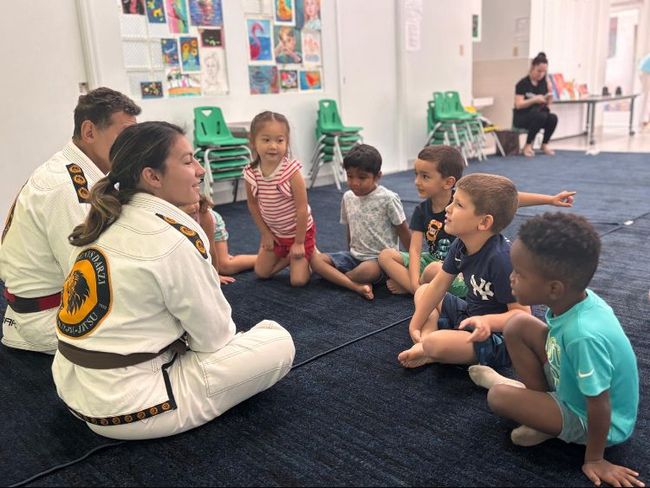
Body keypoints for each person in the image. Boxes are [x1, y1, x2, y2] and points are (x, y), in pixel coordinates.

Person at [52, 121, 294, 440]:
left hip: (74, 389)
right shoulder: (173, 238)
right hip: (131, 408)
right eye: (187, 161)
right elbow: (214, 339)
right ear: (152, 176)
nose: (200, 171)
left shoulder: (101, 221)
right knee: (277, 339)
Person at [469, 213, 642, 488]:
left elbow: (600, 403)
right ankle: (540, 409)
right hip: (572, 381)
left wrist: (595, 459)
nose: (510, 278)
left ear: (553, 288)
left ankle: (545, 417)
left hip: (595, 421)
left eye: (519, 274)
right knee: (518, 324)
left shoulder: (584, 335)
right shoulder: (573, 300)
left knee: (498, 396)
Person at [0, 87, 140, 354]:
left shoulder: (72, 169)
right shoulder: (69, 188)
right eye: (125, 136)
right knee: (165, 326)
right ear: (89, 132)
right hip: (48, 318)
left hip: (34, 304)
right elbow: (92, 282)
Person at [378, 145, 576, 298]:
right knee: (386, 255)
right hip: (433, 259)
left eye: (425, 176)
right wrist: (413, 283)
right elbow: (414, 250)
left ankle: (423, 289)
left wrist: (550, 199)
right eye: (416, 175)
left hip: (461, 269)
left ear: (448, 182)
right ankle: (419, 289)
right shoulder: (422, 210)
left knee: (433, 271)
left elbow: (509, 197)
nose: (416, 181)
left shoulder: (464, 200)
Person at [397, 173, 531, 370]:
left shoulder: (502, 260)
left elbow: (521, 316)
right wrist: (415, 324)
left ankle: (431, 346)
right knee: (423, 290)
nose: (448, 209)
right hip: (468, 314)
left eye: (458, 205)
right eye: (452, 201)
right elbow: (439, 285)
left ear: (484, 222)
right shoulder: (460, 245)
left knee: (438, 343)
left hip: (496, 337)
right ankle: (425, 341)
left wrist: (485, 322)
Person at [310, 144, 410, 300]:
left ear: (377, 176)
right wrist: (349, 251)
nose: (354, 182)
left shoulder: (389, 199)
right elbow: (350, 226)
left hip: (379, 261)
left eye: (362, 177)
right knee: (316, 260)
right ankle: (355, 285)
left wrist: (410, 263)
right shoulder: (348, 197)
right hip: (353, 256)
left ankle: (342, 277)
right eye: (350, 176)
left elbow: (403, 231)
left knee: (368, 271)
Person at [244, 111, 315, 287]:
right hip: (276, 235)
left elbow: (302, 209)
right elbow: (253, 206)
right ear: (253, 142)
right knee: (261, 272)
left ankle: (308, 253)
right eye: (266, 140)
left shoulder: (291, 172)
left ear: (286, 142)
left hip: (299, 233)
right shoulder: (250, 173)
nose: (273, 146)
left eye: (280, 140)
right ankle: (290, 257)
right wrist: (266, 234)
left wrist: (298, 243)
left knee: (298, 281)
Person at [180, 194, 256, 285]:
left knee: (225, 267)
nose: (193, 207)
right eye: (185, 204)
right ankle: (223, 255)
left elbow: (210, 248)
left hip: (212, 228)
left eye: (195, 202)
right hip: (189, 233)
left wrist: (215, 276)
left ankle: (261, 259)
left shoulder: (204, 214)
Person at [513, 52, 558, 158]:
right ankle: (527, 145)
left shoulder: (544, 83)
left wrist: (549, 95)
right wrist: (534, 100)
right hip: (522, 117)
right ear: (532, 67)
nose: (541, 74)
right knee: (541, 116)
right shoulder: (522, 84)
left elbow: (548, 105)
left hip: (538, 116)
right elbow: (518, 105)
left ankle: (544, 144)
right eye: (539, 71)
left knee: (552, 118)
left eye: (544, 72)